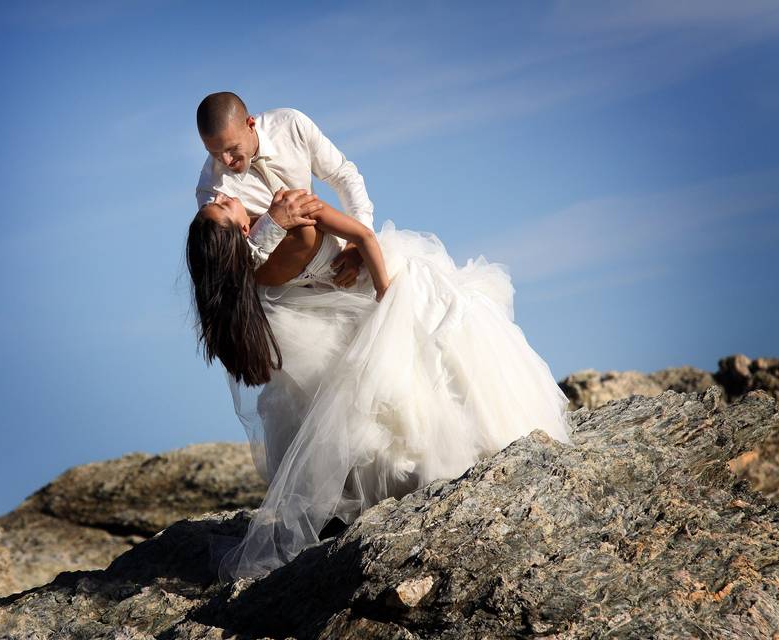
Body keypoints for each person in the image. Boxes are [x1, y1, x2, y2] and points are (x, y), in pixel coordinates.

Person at [186, 188, 573, 582]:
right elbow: (366, 237)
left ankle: (384, 476)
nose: (219, 193)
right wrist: (385, 289)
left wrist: (265, 227)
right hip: (378, 273)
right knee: (439, 339)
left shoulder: (244, 279)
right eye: (219, 205)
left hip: (342, 292)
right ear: (243, 229)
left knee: (380, 385)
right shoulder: (295, 218)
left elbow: (250, 257)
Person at [195, 91, 374, 288]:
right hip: (281, 295)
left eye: (232, 148)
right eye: (214, 152)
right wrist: (272, 224)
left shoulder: (292, 125)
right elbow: (226, 265)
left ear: (250, 125)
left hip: (335, 259)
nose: (226, 160)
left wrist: (357, 244)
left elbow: (343, 175)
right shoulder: (212, 191)